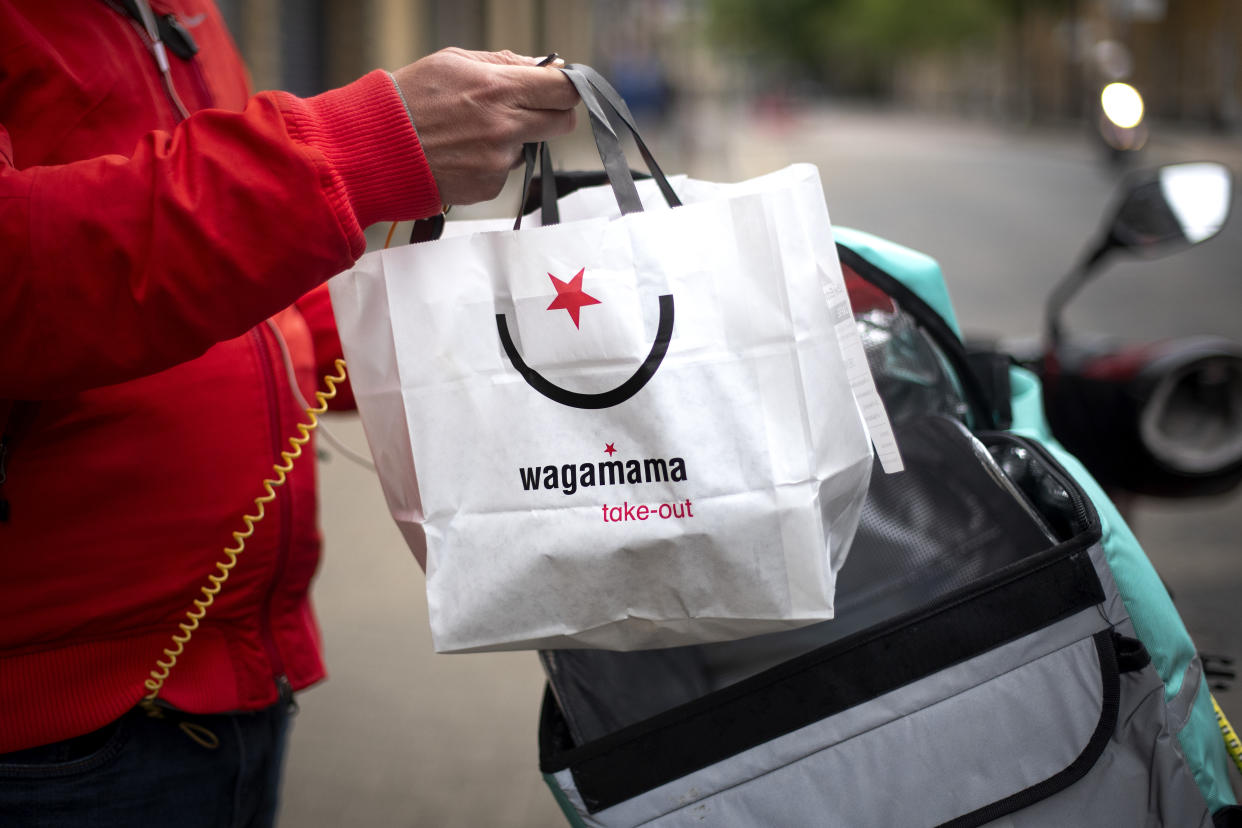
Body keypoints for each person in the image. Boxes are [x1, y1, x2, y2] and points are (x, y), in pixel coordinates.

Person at [0, 1, 578, 824]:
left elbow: (240, 297)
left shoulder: (177, 10)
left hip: (232, 687)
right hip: (52, 736)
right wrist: (358, 148)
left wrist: (533, 333)